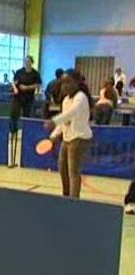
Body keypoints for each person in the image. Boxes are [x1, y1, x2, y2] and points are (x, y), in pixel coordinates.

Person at [44, 70, 93, 199]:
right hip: (67, 138)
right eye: (63, 83)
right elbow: (64, 121)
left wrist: (54, 121)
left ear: (77, 83)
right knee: (62, 168)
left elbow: (72, 113)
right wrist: (54, 135)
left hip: (79, 138)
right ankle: (66, 197)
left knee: (73, 172)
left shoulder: (81, 97)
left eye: (68, 82)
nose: (64, 86)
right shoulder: (65, 100)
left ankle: (73, 202)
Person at [10, 56, 42, 166]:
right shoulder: (19, 72)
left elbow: (38, 84)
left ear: (31, 62)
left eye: (28, 61)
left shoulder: (35, 74)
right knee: (14, 114)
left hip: (28, 98)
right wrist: (15, 88)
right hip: (18, 97)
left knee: (26, 116)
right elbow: (14, 82)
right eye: (25, 61)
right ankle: (13, 132)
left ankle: (26, 133)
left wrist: (27, 88)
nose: (26, 63)